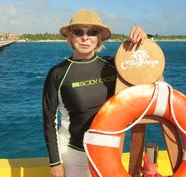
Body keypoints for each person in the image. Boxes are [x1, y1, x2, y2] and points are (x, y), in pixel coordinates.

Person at [43, 9, 147, 177]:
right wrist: (55, 162)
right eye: (78, 32)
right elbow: (49, 120)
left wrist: (143, 39)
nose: (85, 37)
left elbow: (146, 68)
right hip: (72, 156)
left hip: (108, 152)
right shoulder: (58, 73)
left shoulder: (113, 65)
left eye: (92, 32)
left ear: (99, 37)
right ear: (70, 35)